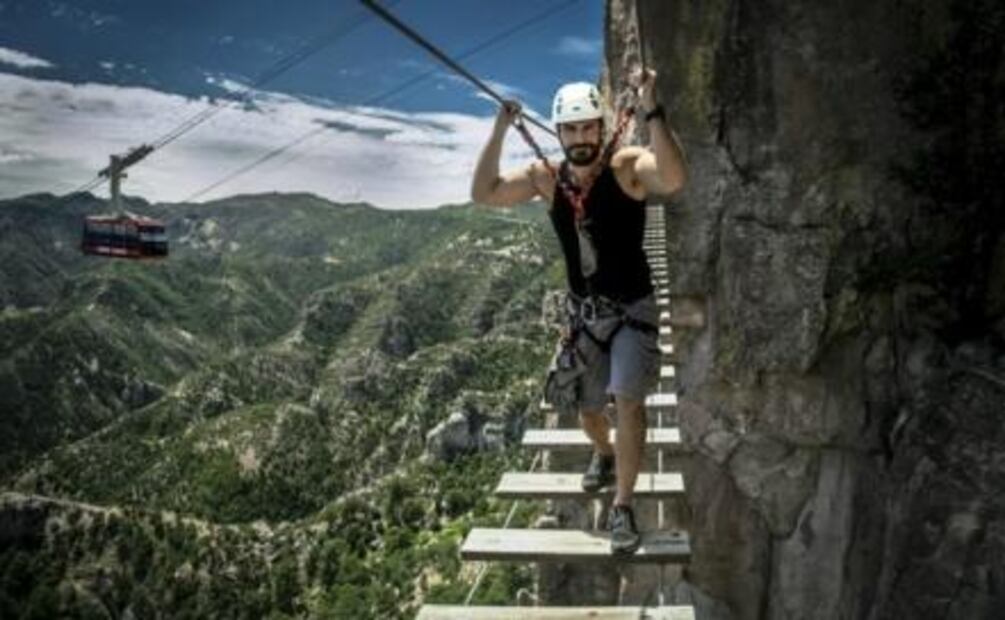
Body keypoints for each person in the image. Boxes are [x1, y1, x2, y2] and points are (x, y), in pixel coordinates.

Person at [470, 69, 687, 554]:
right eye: (571, 129)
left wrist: (652, 108)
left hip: (633, 308)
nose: (581, 137)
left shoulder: (625, 168)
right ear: (559, 133)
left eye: (589, 127)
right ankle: (604, 452)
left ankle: (623, 505)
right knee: (589, 411)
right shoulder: (547, 180)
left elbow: (673, 178)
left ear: (603, 127)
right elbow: (484, 193)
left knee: (627, 400)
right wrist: (500, 129)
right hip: (586, 315)